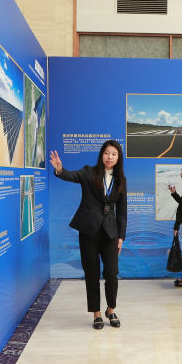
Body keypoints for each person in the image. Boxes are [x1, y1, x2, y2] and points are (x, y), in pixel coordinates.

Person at [49, 141, 127, 330]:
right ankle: (96, 313)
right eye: (106, 153)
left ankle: (110, 309)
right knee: (91, 273)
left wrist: (121, 237)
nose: (109, 157)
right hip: (89, 232)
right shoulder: (88, 172)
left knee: (111, 273)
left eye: (114, 154)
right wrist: (59, 169)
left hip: (110, 233)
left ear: (118, 158)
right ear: (101, 155)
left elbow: (122, 212)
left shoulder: (121, 180)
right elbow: (71, 175)